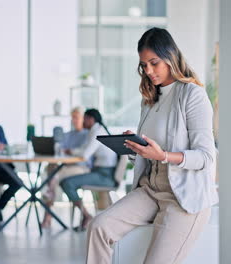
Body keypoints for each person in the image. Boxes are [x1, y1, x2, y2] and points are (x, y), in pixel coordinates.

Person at [85, 28, 218, 264]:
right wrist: (137, 146)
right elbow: (149, 154)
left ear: (170, 56)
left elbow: (206, 157)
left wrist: (164, 155)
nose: (148, 71)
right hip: (150, 189)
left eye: (154, 63)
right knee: (98, 227)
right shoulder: (150, 99)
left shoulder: (192, 95)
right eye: (143, 65)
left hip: (183, 198)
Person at [59, 108, 117, 231]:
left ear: (91, 119)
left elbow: (85, 155)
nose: (82, 122)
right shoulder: (96, 130)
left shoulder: (97, 132)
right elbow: (84, 149)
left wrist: (71, 152)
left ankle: (86, 215)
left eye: (84, 119)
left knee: (67, 183)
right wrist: (72, 151)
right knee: (66, 182)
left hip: (105, 176)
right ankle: (86, 215)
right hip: (100, 172)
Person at [41, 106, 91, 228]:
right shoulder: (68, 134)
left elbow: (83, 154)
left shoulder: (88, 134)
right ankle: (48, 203)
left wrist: (70, 151)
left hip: (81, 168)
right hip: (65, 167)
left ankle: (47, 214)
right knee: (50, 169)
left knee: (53, 176)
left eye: (76, 117)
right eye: (72, 117)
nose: (74, 120)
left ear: (83, 118)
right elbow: (59, 150)